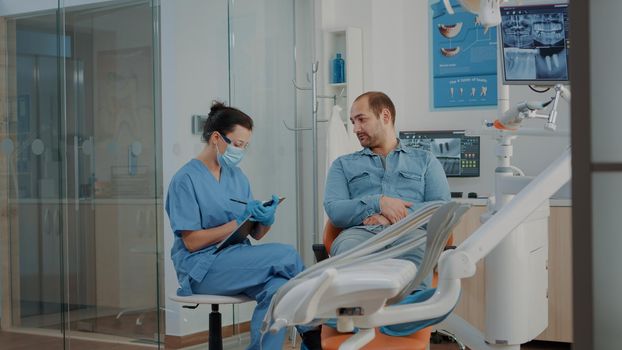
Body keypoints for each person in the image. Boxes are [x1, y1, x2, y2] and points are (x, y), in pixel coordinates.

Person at [166, 101, 321, 350]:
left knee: (278, 290)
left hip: (237, 259)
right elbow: (192, 242)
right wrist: (236, 222)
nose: (241, 151)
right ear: (216, 138)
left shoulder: (237, 177)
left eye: (245, 146)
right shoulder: (185, 180)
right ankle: (315, 334)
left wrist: (265, 219)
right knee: (287, 255)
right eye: (238, 144)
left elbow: (256, 234)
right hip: (201, 267)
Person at [324, 91, 451, 292]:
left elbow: (441, 208)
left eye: (361, 119)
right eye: (353, 121)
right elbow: (335, 209)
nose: (355, 128)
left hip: (410, 236)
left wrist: (393, 216)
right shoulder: (342, 165)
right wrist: (379, 203)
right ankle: (354, 319)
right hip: (359, 237)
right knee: (346, 282)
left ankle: (406, 320)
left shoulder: (425, 161)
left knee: (417, 269)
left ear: (385, 116)